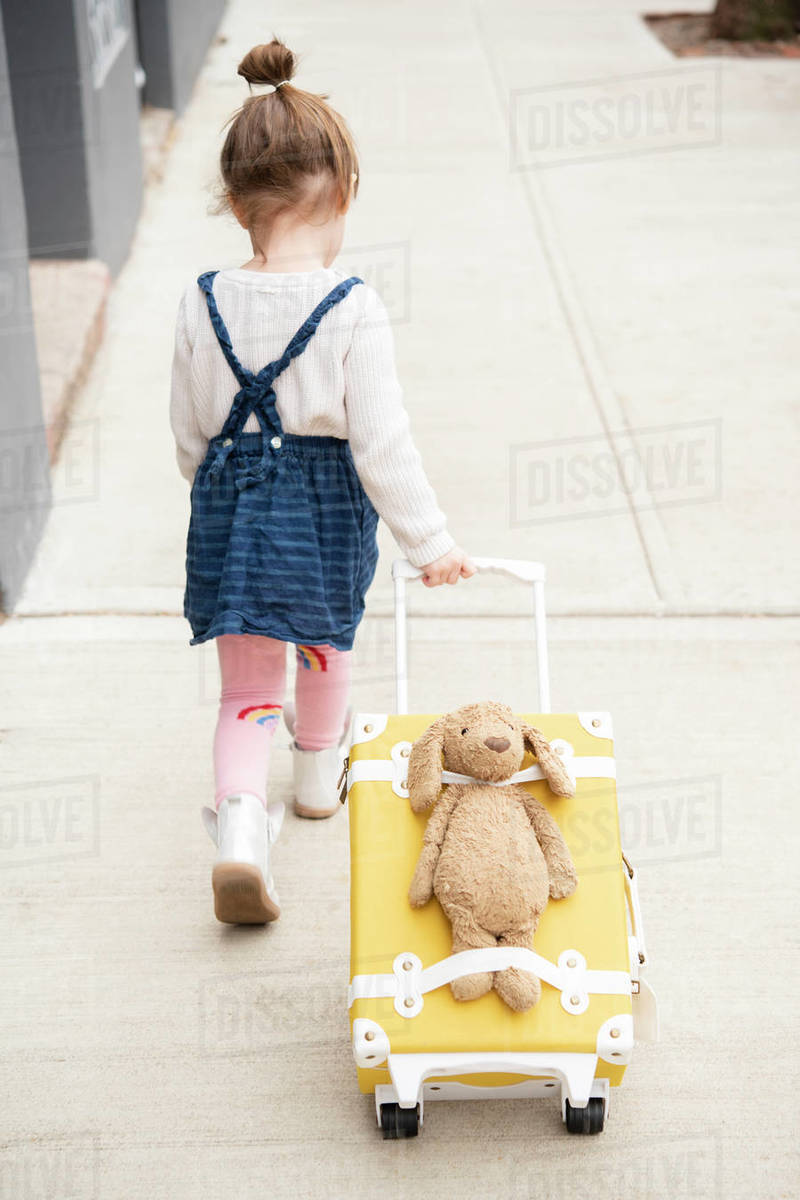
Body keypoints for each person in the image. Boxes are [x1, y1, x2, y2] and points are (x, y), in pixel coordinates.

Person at [169, 37, 475, 927]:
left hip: (231, 504)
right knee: (323, 642)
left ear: (235, 203)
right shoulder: (352, 306)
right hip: (322, 510)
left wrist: (216, 487)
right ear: (340, 195)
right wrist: (430, 543)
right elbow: (382, 443)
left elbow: (189, 427)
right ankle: (314, 785)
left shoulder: (200, 299)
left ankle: (237, 828)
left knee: (245, 685)